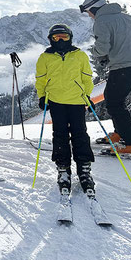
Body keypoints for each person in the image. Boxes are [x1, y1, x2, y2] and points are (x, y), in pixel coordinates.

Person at [80, 0, 131, 155]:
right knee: (112, 97)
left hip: (124, 65)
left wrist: (96, 53)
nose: (89, 16)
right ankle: (121, 133)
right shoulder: (124, 17)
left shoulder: (101, 21)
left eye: (88, 12)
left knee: (114, 103)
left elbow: (102, 48)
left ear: (93, 9)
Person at [35, 24, 96, 195]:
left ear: (70, 38)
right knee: (60, 134)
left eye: (64, 37)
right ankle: (63, 169)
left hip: (77, 101)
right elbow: (40, 79)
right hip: (56, 101)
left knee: (80, 134)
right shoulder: (44, 57)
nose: (60, 41)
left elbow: (87, 78)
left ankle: (84, 170)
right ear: (50, 39)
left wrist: (87, 95)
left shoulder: (79, 55)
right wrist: (42, 96)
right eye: (56, 38)